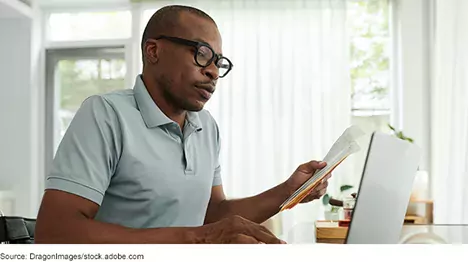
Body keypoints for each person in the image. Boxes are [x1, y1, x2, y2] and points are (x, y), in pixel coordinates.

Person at [35, 5, 331, 244]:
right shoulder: (105, 114)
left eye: (219, 61)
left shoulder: (206, 127)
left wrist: (289, 191)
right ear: (153, 51)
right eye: (202, 54)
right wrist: (195, 238)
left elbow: (211, 214)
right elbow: (54, 233)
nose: (213, 71)